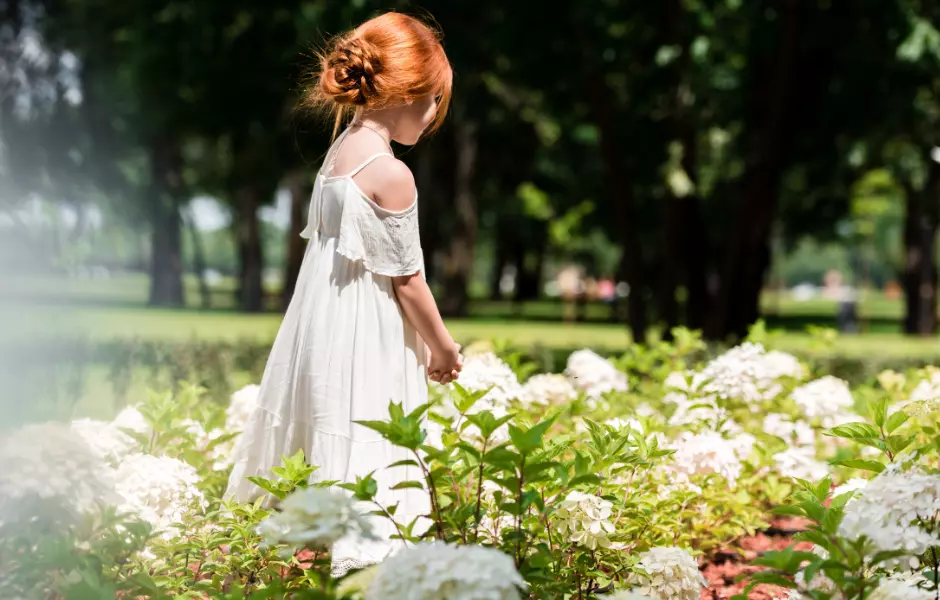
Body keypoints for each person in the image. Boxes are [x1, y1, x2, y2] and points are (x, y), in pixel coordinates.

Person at [224, 12, 462, 576]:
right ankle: (370, 564)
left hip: (324, 321)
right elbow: (406, 281)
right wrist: (443, 347)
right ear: (408, 91)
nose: (431, 119)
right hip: (367, 329)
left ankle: (300, 551)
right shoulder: (391, 172)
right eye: (432, 103)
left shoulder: (339, 154)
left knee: (330, 422)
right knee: (369, 424)